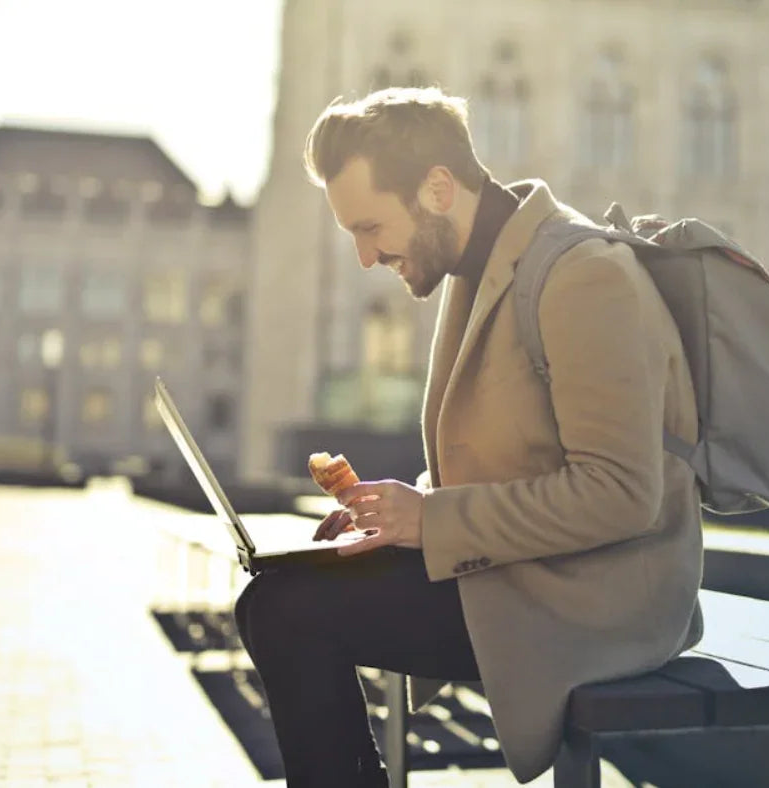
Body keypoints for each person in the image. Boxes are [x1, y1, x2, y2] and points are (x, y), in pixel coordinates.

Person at [233, 86, 704, 787]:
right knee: (278, 594)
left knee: (287, 611)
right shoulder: (480, 270)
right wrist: (395, 517)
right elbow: (513, 457)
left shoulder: (584, 276)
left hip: (602, 604)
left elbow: (622, 492)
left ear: (438, 188)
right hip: (529, 574)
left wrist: (431, 520)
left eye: (370, 227)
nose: (365, 257)